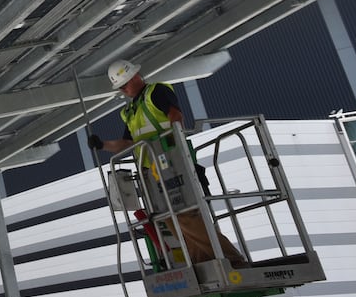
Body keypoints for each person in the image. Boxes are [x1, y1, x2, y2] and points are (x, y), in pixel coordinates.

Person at [88, 61, 246, 266]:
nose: (123, 88)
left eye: (125, 82)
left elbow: (175, 116)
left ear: (136, 76)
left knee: (185, 216)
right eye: (120, 86)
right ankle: (203, 262)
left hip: (171, 164)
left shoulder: (156, 92)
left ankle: (231, 259)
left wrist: (173, 147)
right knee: (171, 220)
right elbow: (128, 143)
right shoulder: (131, 111)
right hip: (151, 173)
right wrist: (102, 145)